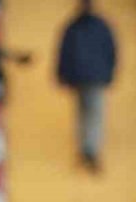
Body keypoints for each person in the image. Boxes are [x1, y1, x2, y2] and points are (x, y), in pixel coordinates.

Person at [56, 0, 116, 171]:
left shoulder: (75, 26)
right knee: (89, 113)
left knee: (88, 113)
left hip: (86, 76)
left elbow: (110, 51)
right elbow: (65, 51)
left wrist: (62, 74)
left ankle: (88, 149)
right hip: (87, 76)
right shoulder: (98, 26)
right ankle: (88, 149)